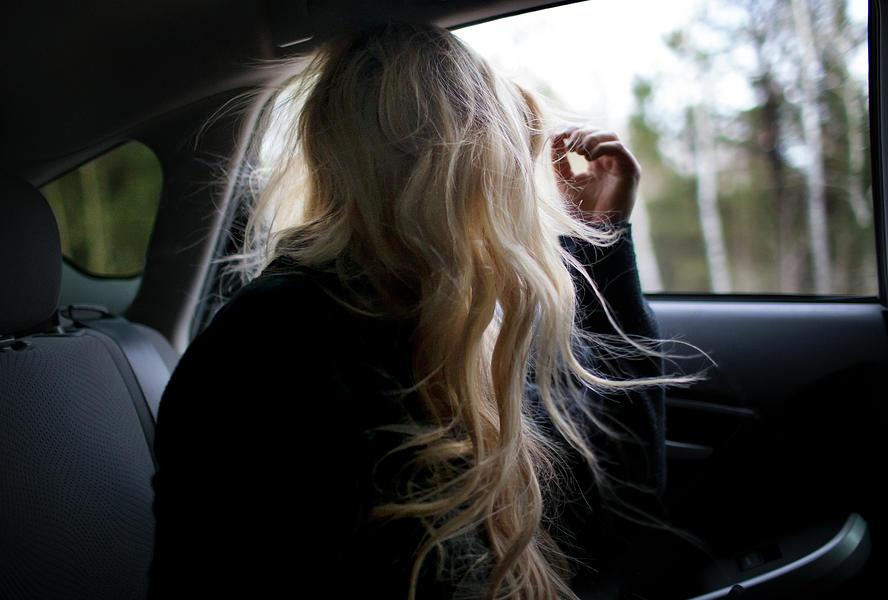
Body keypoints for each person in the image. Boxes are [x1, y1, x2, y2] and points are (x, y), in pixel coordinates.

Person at [148, 22, 679, 600]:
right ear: (479, 168)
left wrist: (602, 239)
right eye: (513, 158)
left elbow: (613, 511)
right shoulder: (279, 353)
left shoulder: (440, 323)